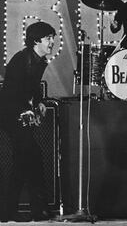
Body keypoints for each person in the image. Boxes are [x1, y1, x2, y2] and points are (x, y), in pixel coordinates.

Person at [0, 21, 56, 222]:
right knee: (33, 157)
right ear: (36, 41)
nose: (52, 42)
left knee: (23, 164)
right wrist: (25, 111)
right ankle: (37, 209)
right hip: (10, 116)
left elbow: (32, 88)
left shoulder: (40, 61)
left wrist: (39, 102)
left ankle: (8, 213)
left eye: (52, 37)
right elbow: (11, 94)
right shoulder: (20, 60)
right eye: (48, 38)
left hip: (21, 115)